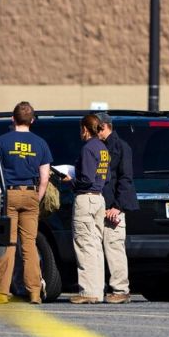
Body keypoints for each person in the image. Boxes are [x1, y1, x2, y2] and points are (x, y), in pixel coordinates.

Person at [0, 102, 52, 305]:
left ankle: (2, 292)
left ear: (12, 119)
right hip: (31, 194)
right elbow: (45, 177)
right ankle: (34, 293)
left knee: (9, 244)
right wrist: (36, 197)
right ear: (32, 120)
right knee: (29, 245)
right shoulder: (40, 143)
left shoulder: (2, 142)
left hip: (9, 195)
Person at [65, 114, 111, 304]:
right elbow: (105, 178)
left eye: (81, 129)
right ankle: (97, 290)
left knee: (84, 245)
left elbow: (86, 180)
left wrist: (70, 181)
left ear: (85, 129)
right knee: (96, 246)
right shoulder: (103, 149)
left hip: (86, 198)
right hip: (99, 199)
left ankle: (87, 291)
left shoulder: (88, 148)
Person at [96, 113, 139, 304]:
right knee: (98, 249)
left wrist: (116, 207)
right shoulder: (98, 147)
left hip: (114, 208)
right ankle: (99, 289)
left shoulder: (120, 147)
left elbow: (125, 179)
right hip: (100, 205)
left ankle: (121, 290)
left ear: (104, 127)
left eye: (95, 128)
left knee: (114, 248)